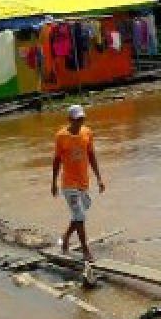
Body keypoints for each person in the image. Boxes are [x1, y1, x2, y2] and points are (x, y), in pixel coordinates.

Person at [52, 104, 105, 282]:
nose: (79, 122)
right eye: (76, 120)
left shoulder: (87, 133)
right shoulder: (61, 136)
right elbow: (56, 160)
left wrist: (99, 178)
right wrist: (53, 182)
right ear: (70, 119)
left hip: (84, 182)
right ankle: (85, 250)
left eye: (82, 119)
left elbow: (92, 156)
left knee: (80, 214)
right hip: (68, 184)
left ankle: (66, 237)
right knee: (80, 215)